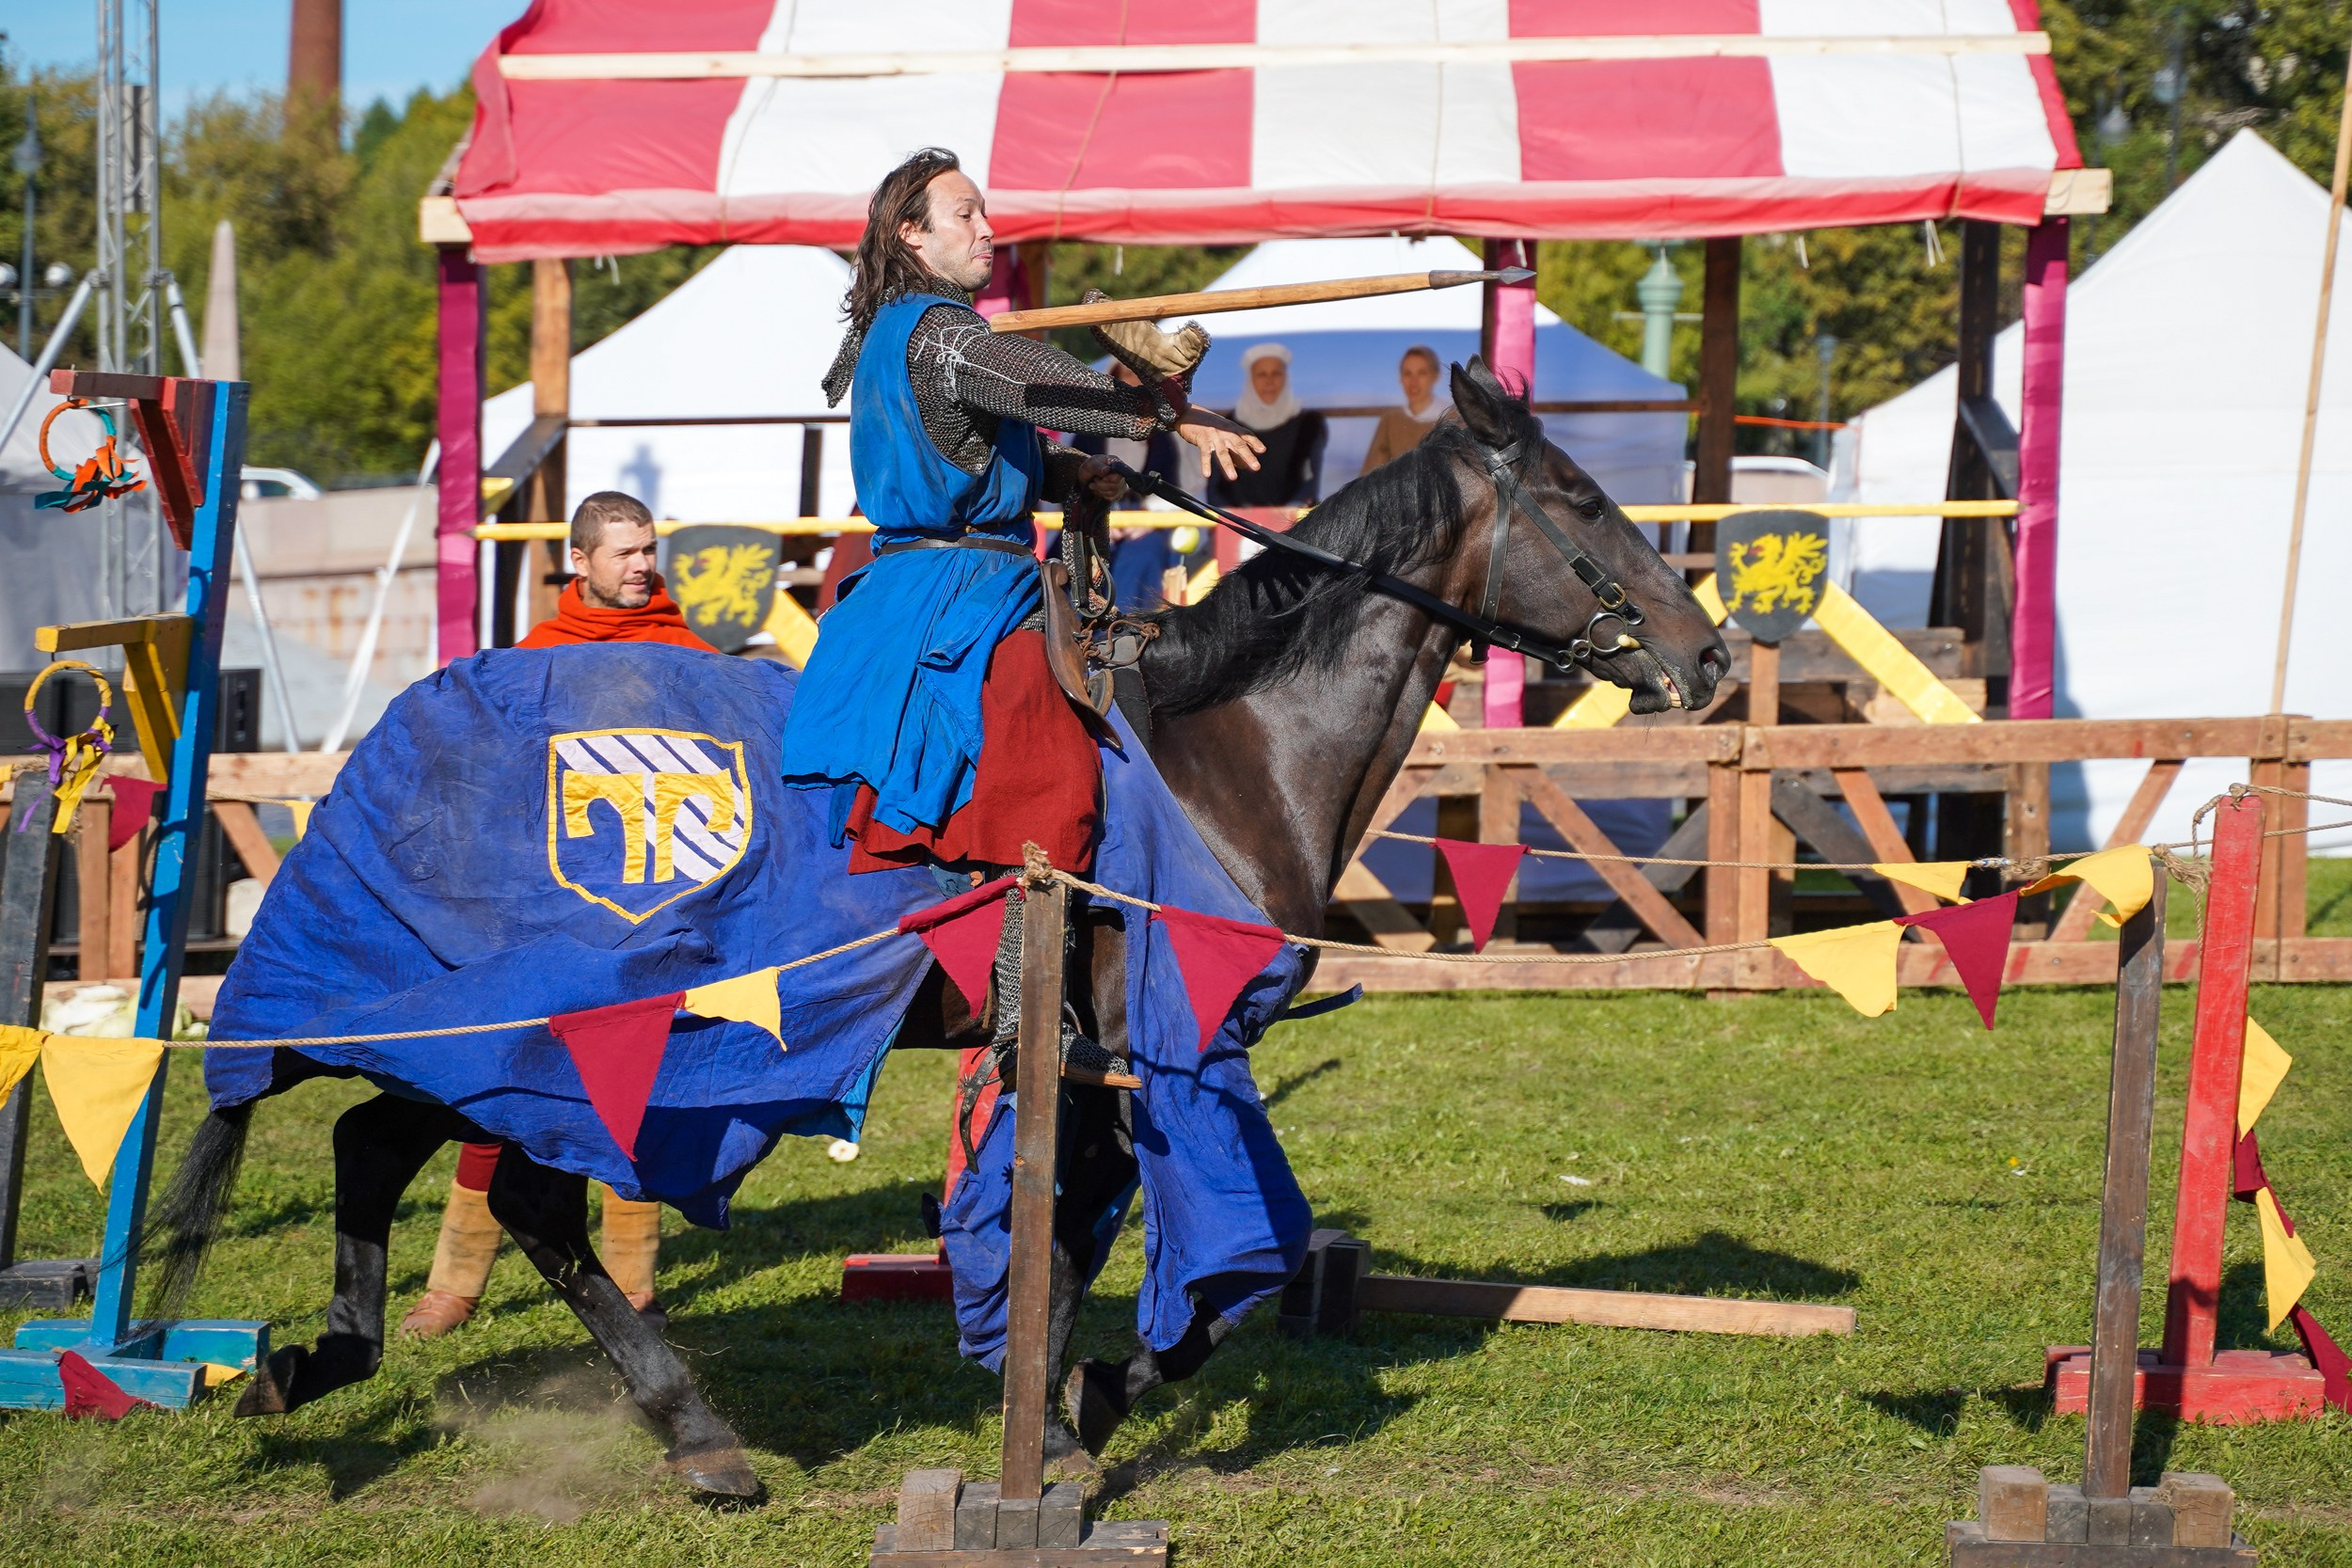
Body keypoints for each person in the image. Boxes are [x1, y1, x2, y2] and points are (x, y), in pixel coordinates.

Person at [783, 146, 1258, 880]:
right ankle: (1018, 989)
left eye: (985, 212)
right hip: (962, 598)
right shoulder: (944, 334)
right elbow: (1037, 380)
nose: (986, 229)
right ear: (913, 233)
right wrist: (1170, 409)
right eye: (964, 214)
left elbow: (980, 450)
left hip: (932, 584)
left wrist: (1072, 471)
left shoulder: (901, 332)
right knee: (1050, 789)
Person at [399, 491, 709, 1340]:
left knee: (633, 1088)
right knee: (501, 1088)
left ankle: (636, 1286)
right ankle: (453, 1284)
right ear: (580, 561)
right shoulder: (534, 662)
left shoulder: (688, 656)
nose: (643, 565)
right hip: (551, 911)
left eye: (649, 549)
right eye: (624, 553)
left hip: (657, 909)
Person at [1205, 342, 1327, 508]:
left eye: (1276, 373)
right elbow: (1215, 490)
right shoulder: (1227, 425)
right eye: (1261, 374)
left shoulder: (1309, 425)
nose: (1269, 381)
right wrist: (1244, 520)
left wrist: (1284, 517)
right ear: (1250, 379)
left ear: (1286, 377)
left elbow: (1310, 482)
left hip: (1293, 526)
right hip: (1239, 527)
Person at [1359, 344, 1450, 475]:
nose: (1413, 382)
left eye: (1421, 373)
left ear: (1435, 376)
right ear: (1400, 378)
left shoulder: (1452, 419)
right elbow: (1369, 475)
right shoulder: (1391, 421)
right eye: (1408, 373)